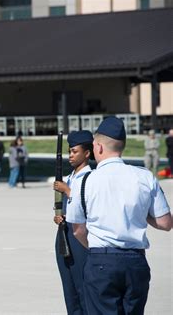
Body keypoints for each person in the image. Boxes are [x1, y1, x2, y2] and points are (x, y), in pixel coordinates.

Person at [66, 117, 172, 315]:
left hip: (101, 261)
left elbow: (78, 229)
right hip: (135, 261)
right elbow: (165, 223)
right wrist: (140, 211)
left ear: (98, 147)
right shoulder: (144, 176)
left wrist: (97, 250)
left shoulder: (85, 181)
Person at [53, 130, 94, 315]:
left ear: (87, 153)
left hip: (81, 235)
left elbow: (88, 206)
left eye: (75, 151)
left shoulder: (91, 178)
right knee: (69, 290)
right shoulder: (70, 177)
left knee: (83, 288)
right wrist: (59, 215)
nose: (70, 155)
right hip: (64, 233)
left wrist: (68, 191)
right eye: (69, 151)